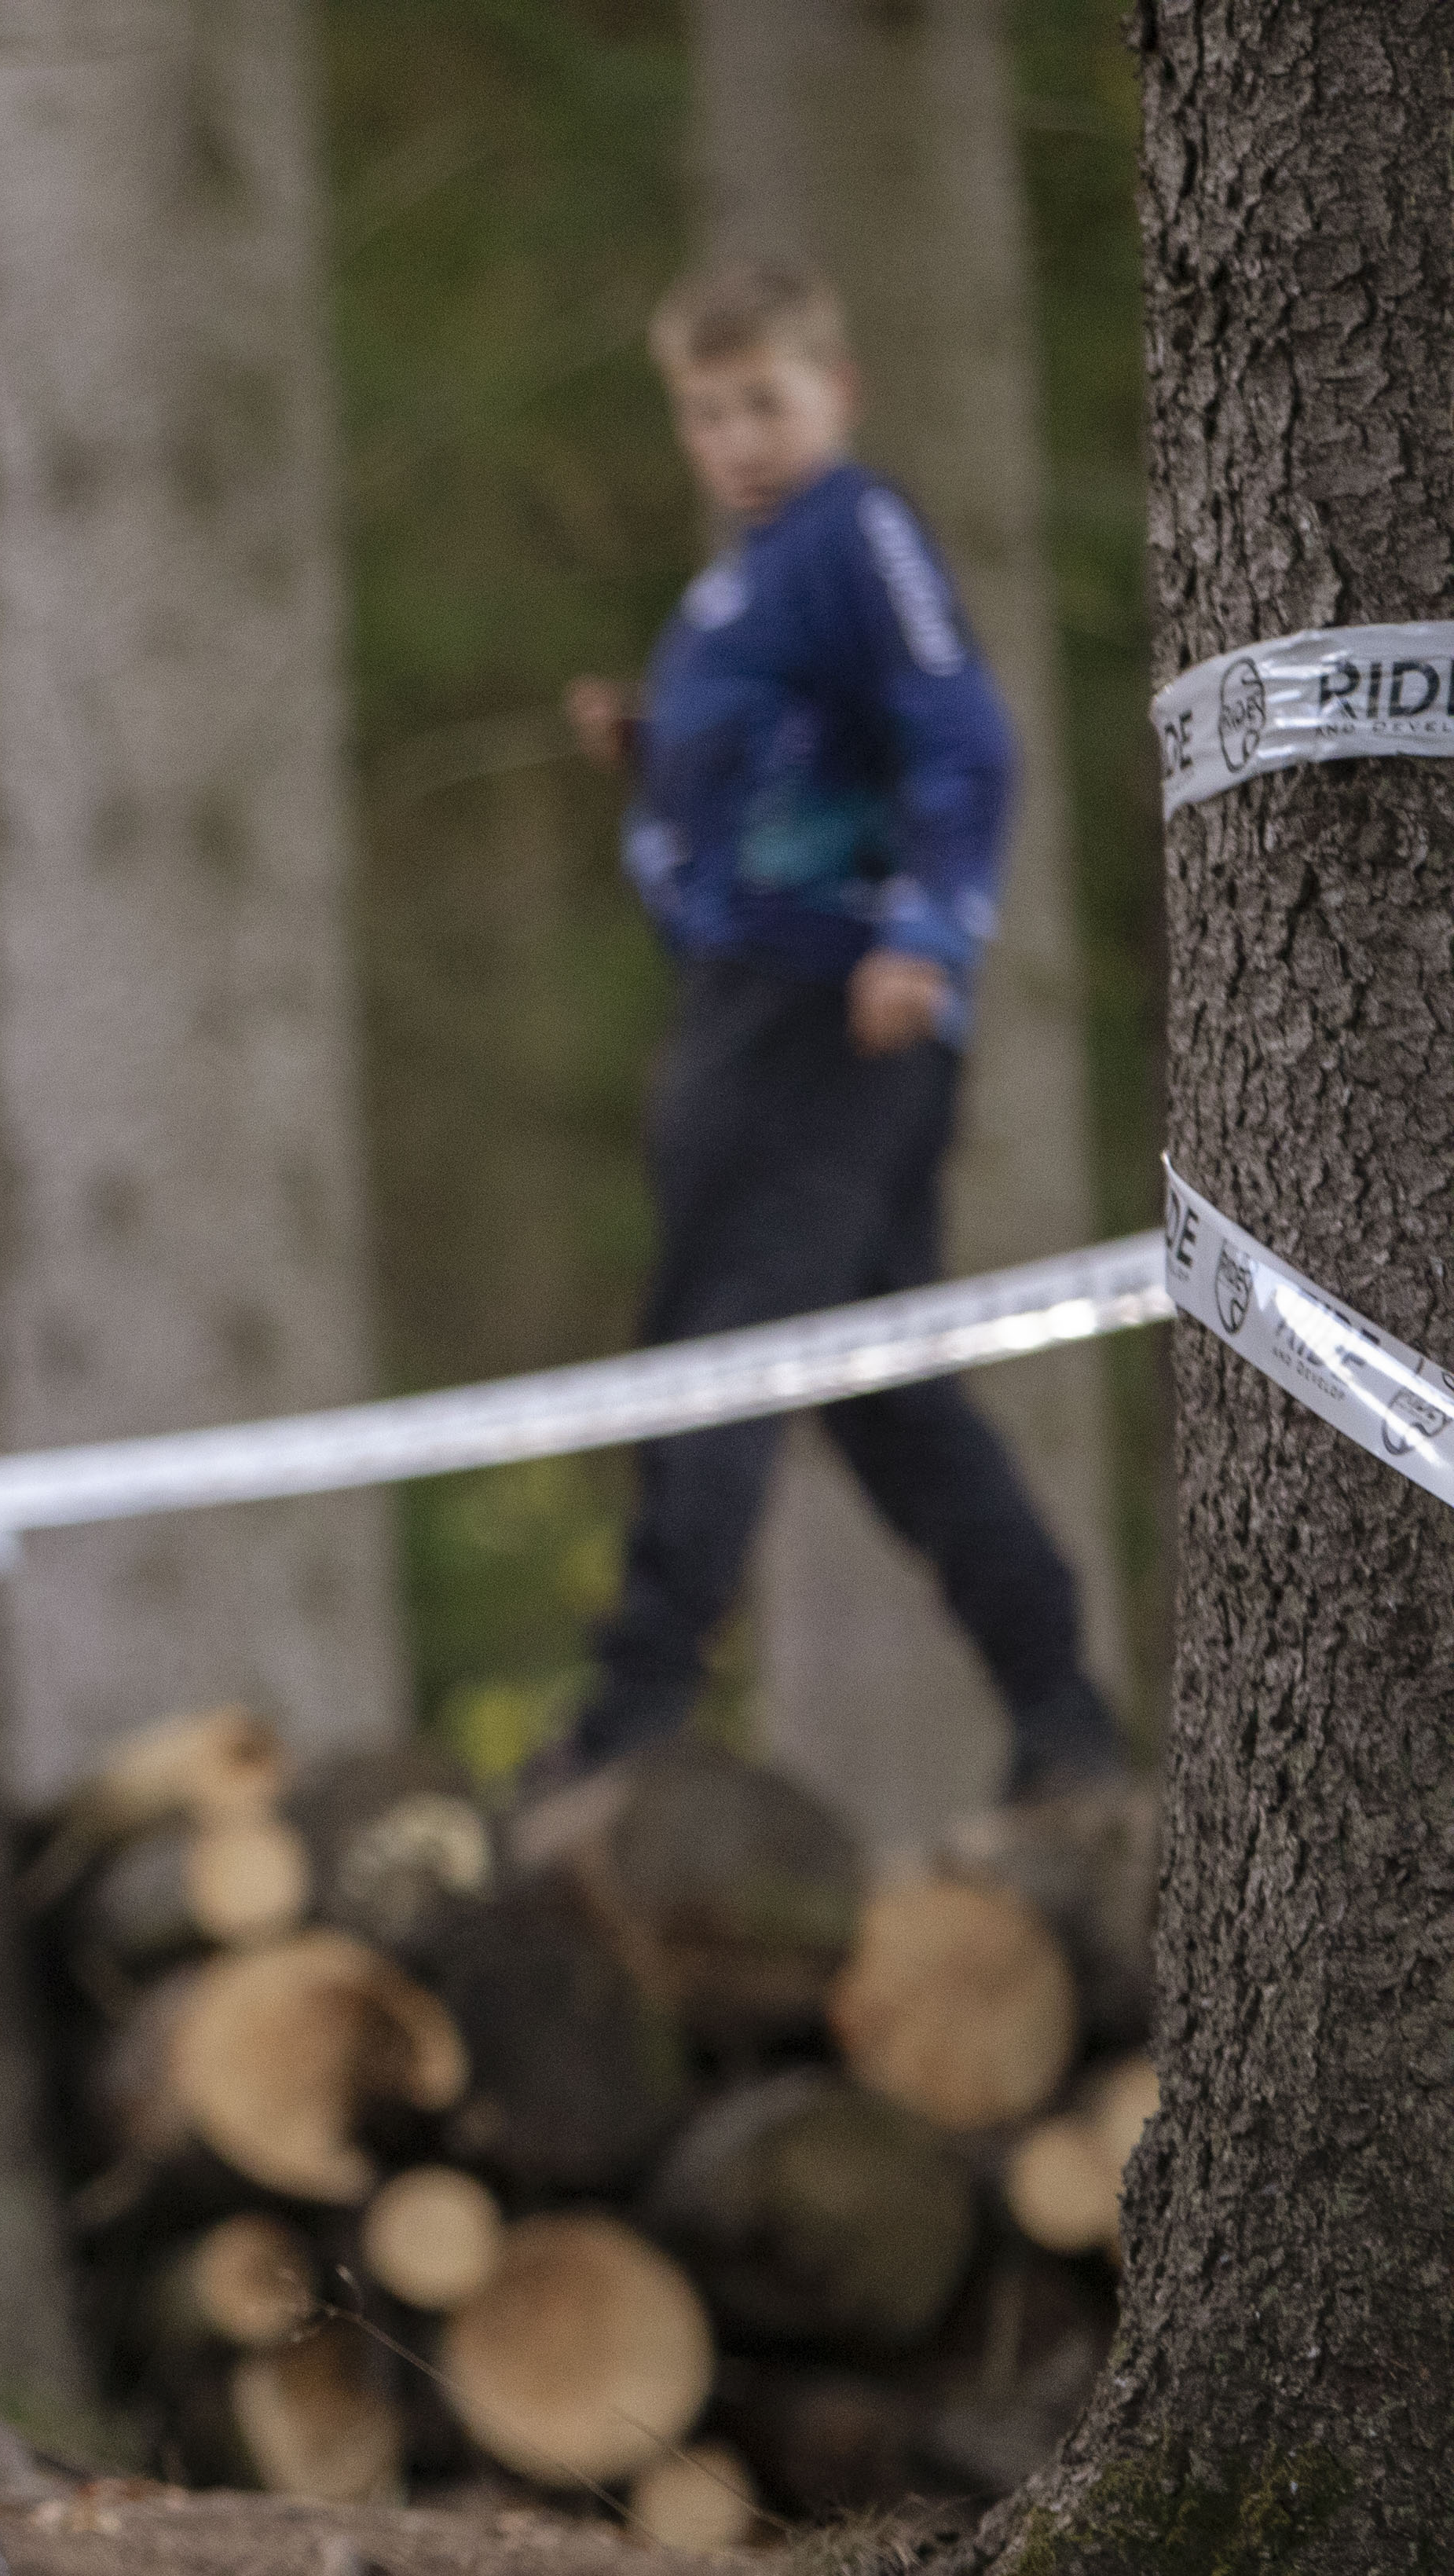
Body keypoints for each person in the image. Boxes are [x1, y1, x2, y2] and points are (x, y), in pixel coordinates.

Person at [551, 257, 1123, 1801]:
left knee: (714, 1343)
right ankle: (1063, 1712)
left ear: (838, 392)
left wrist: (927, 933)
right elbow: (797, 763)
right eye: (706, 411)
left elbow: (964, 743)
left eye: (765, 403)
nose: (736, 439)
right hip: (762, 1006)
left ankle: (634, 1715)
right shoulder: (748, 576)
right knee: (887, 1385)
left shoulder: (854, 530)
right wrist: (652, 751)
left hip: (821, 1020)